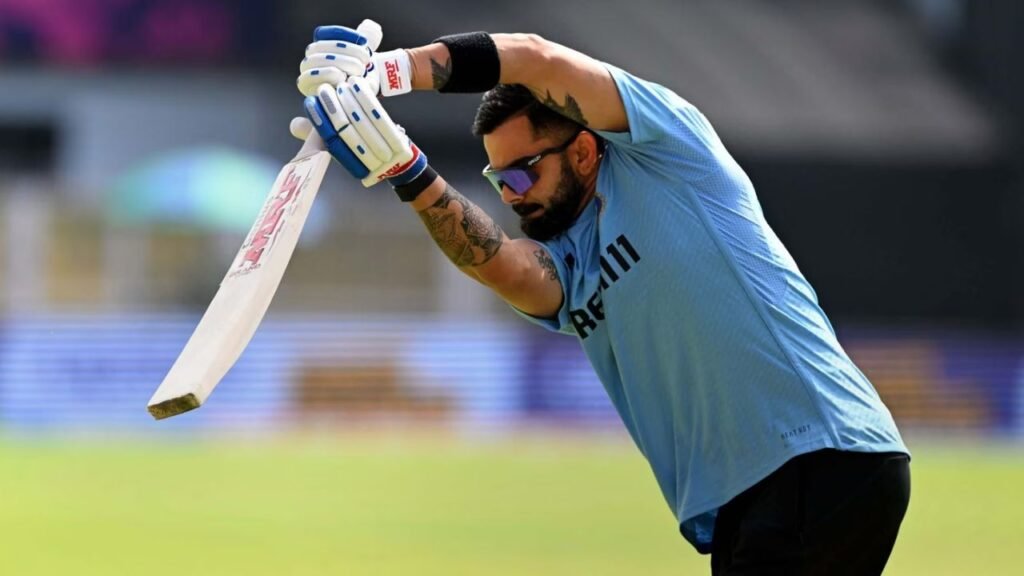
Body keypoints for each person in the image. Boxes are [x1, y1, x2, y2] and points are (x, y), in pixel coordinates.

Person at [292, 22, 911, 575]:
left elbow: (534, 58)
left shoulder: (667, 153)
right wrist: (406, 169)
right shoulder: (568, 258)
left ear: (584, 152)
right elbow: (502, 265)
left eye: (521, 173)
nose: (510, 195)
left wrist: (388, 71)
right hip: (751, 497)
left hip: (819, 454)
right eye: (498, 181)